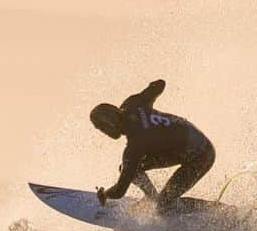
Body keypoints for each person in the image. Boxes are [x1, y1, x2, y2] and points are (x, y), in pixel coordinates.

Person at [90, 79, 215, 212]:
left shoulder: (135, 145)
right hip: (193, 141)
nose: (104, 133)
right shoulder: (133, 104)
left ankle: (219, 212)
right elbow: (160, 84)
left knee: (164, 205)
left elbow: (120, 191)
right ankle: (152, 198)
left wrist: (104, 194)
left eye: (101, 128)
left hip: (202, 154)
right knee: (130, 169)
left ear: (109, 123)